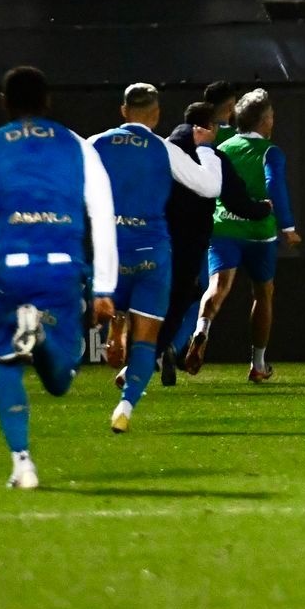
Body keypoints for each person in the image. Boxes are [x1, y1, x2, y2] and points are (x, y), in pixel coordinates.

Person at [0, 67, 117, 490]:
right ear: (48, 102)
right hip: (62, 270)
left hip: (11, 271)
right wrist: (104, 287)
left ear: (4, 103)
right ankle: (41, 339)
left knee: (6, 364)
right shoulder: (79, 147)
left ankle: (22, 464)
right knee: (60, 381)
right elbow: (103, 216)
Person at [88, 84, 223, 434]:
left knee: (106, 300)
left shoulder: (96, 144)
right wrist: (205, 149)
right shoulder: (163, 148)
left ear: (123, 111)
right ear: (157, 114)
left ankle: (115, 324)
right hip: (152, 252)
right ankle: (125, 406)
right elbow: (210, 187)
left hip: (111, 251)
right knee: (148, 341)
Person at [186, 89, 299, 383]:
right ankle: (258, 363)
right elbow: (275, 187)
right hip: (259, 233)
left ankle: (201, 329)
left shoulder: (223, 147)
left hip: (223, 227)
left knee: (217, 286)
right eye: (271, 116)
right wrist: (288, 227)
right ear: (264, 121)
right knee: (263, 294)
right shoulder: (270, 152)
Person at [158, 98, 273, 387]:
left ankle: (137, 345)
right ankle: (160, 351)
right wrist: (264, 210)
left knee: (169, 294)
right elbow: (236, 200)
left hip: (155, 234)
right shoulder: (216, 155)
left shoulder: (163, 149)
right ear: (209, 125)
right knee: (187, 295)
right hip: (196, 238)